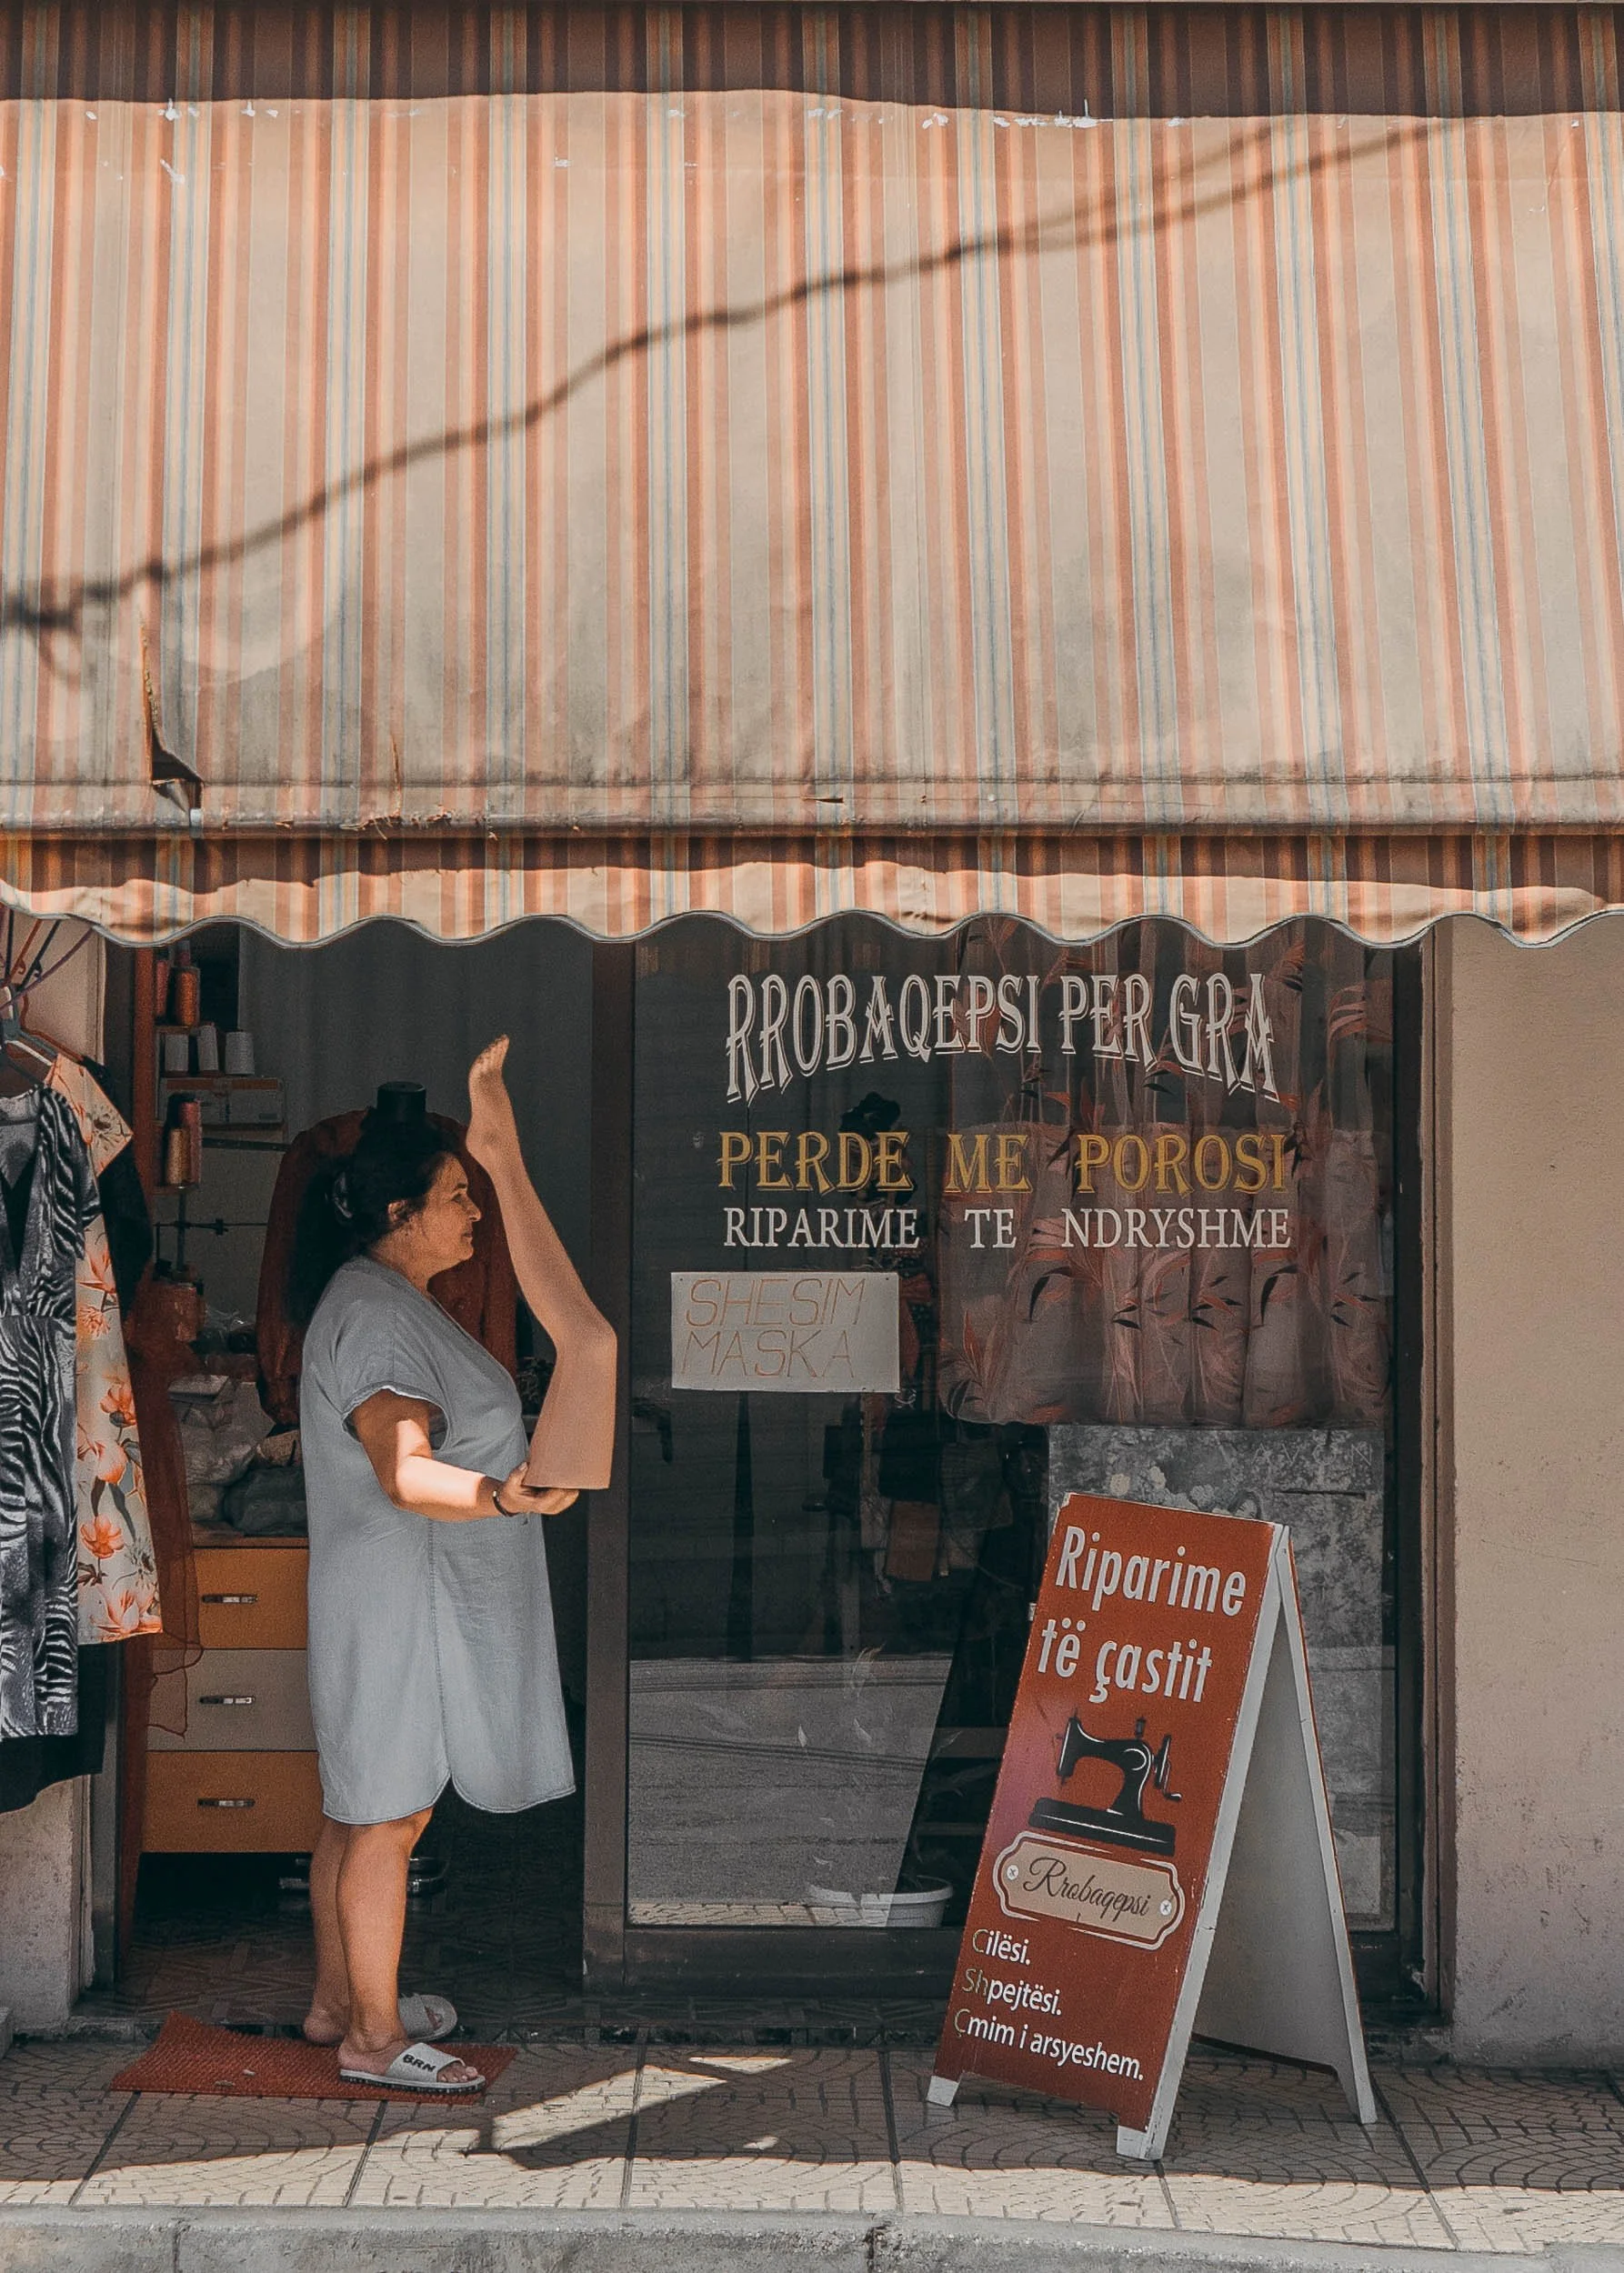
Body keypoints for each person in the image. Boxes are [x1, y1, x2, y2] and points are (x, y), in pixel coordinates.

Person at [288, 1038, 616, 2092]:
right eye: (457, 1196)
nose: (474, 1216)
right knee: (389, 1812)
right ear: (399, 1216)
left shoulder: (377, 1300)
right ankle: (375, 2039)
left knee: (356, 1802)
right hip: (400, 1598)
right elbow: (404, 1468)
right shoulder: (378, 1316)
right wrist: (502, 1494)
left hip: (383, 1593)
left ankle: (339, 1999)